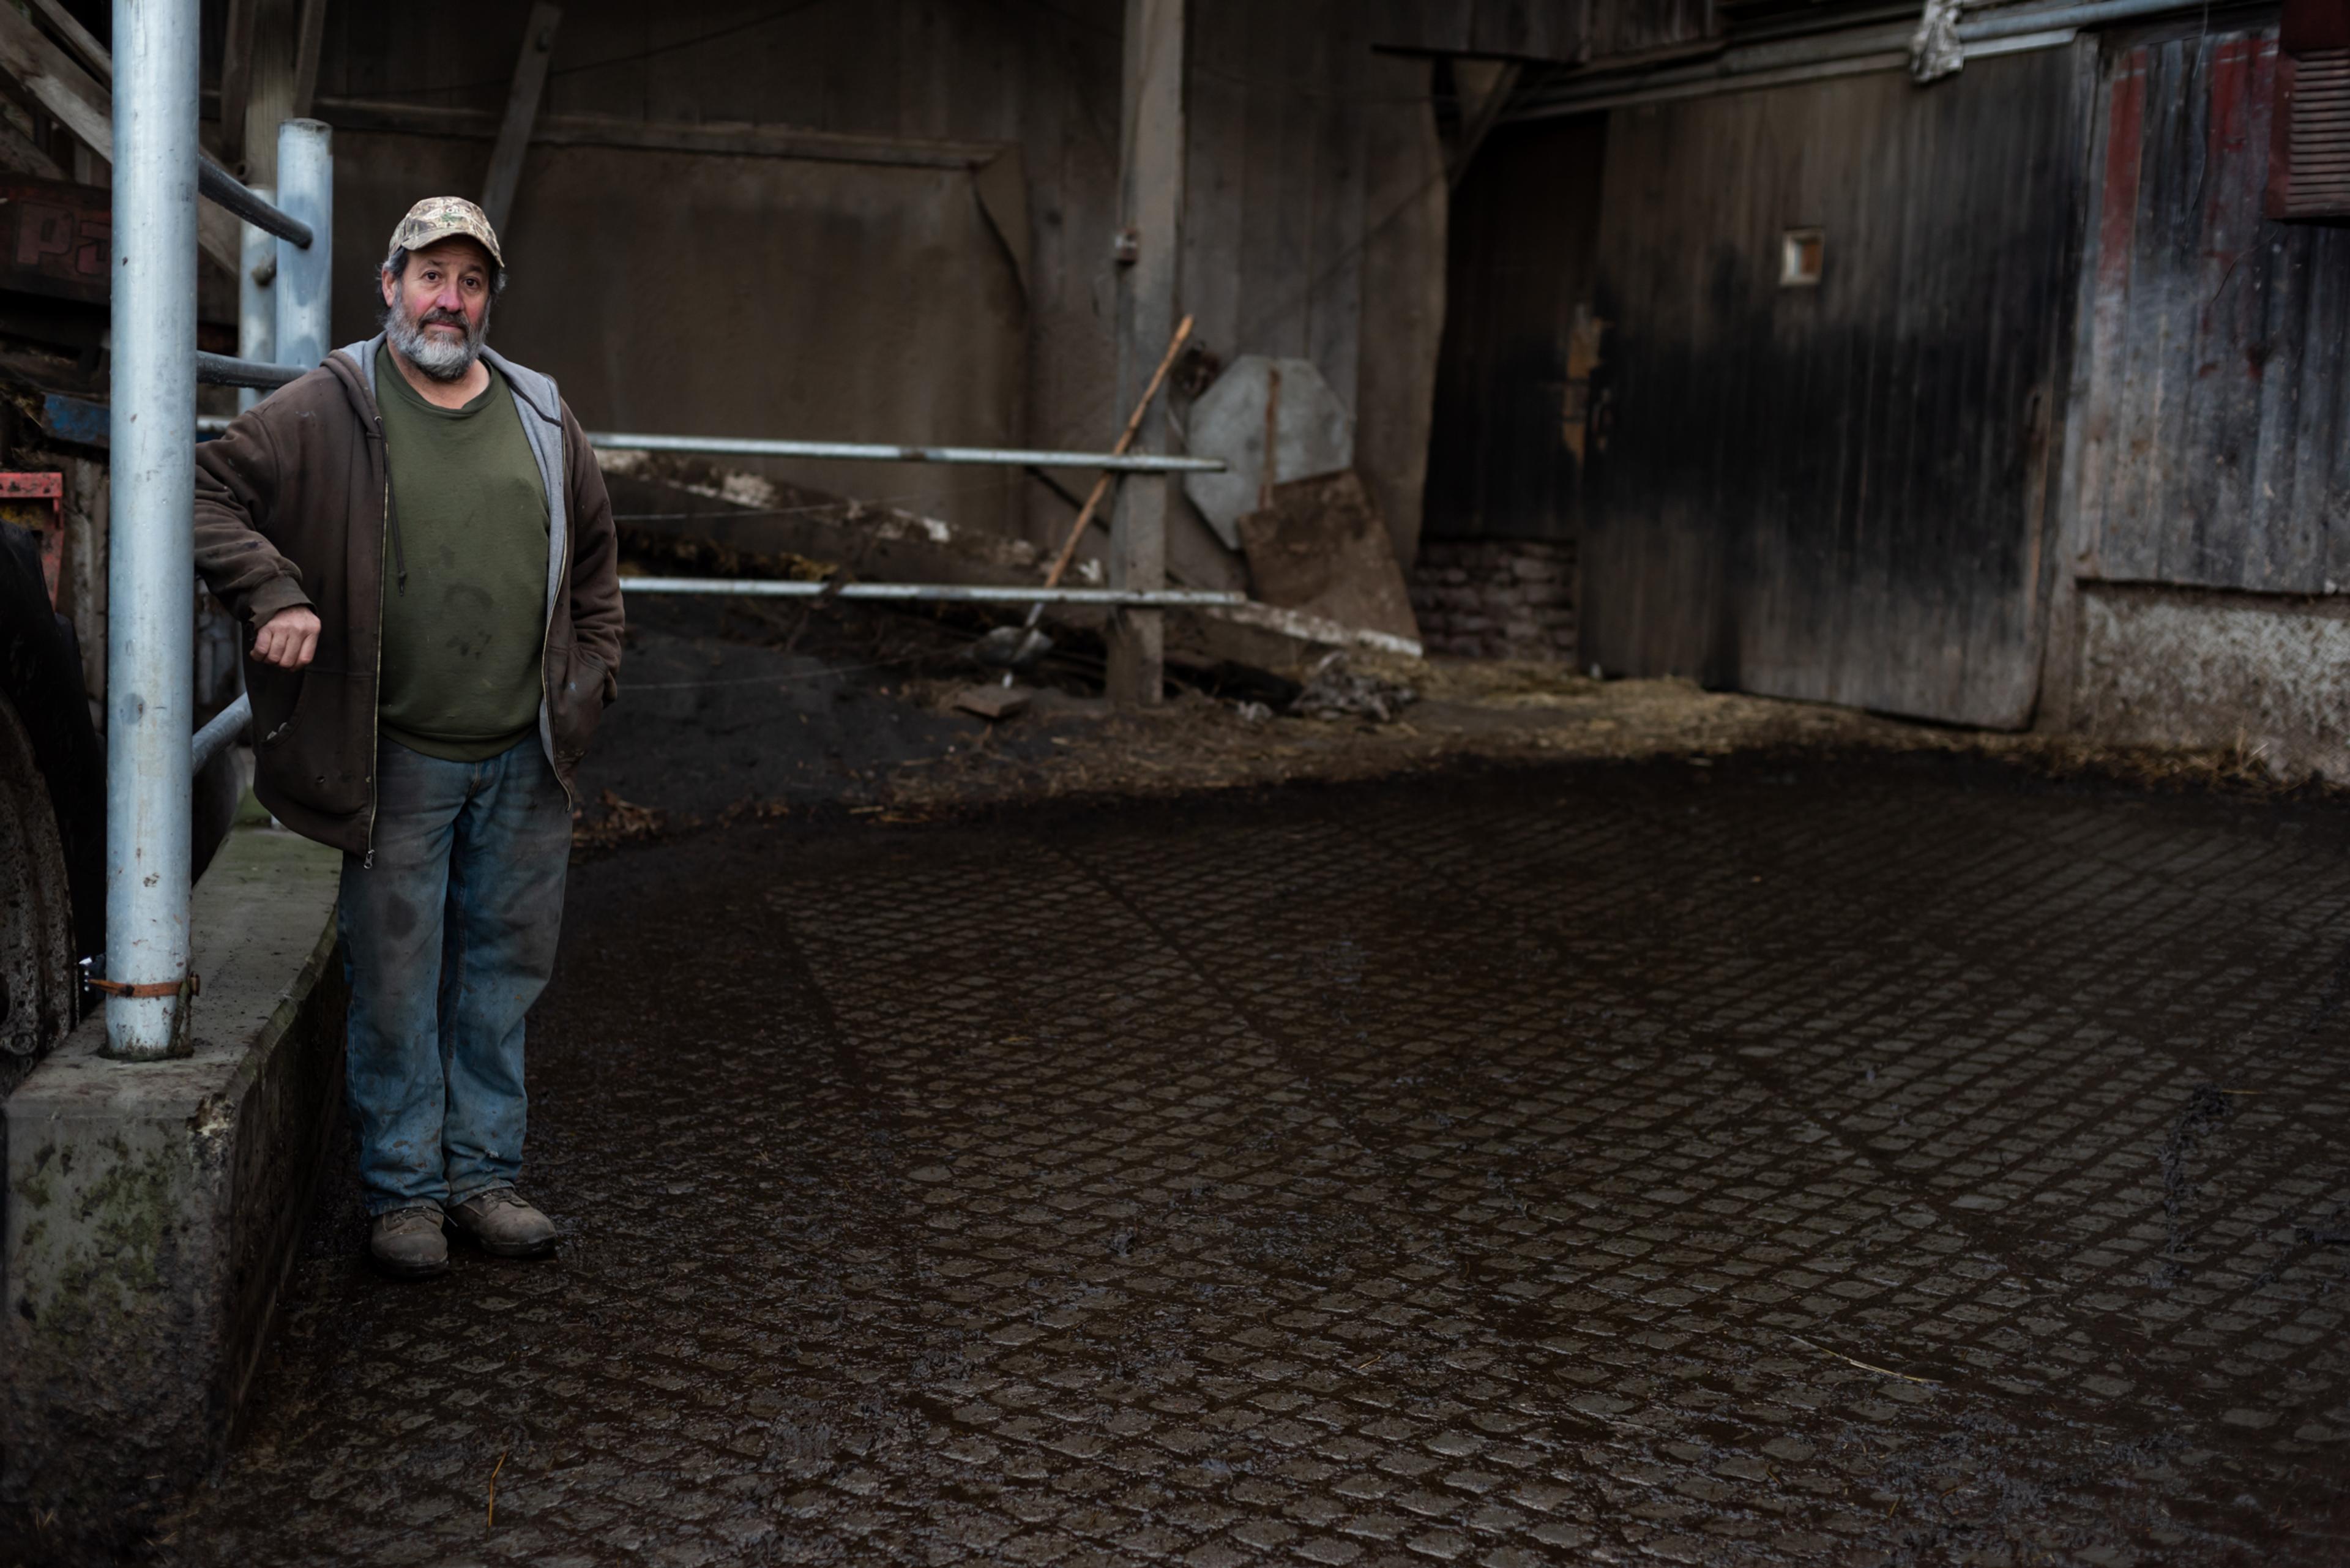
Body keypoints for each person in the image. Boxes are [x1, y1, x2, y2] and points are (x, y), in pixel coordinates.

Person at [193, 196, 622, 1279]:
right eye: (431, 276)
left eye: (471, 283)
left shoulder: (542, 412)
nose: (450, 301)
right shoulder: (329, 405)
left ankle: (483, 1178)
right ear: (389, 285)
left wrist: (589, 682)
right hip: (399, 757)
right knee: (393, 984)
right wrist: (273, 591)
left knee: (502, 979)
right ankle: (403, 1194)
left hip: (526, 757)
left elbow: (596, 570)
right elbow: (200, 490)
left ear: (488, 301)